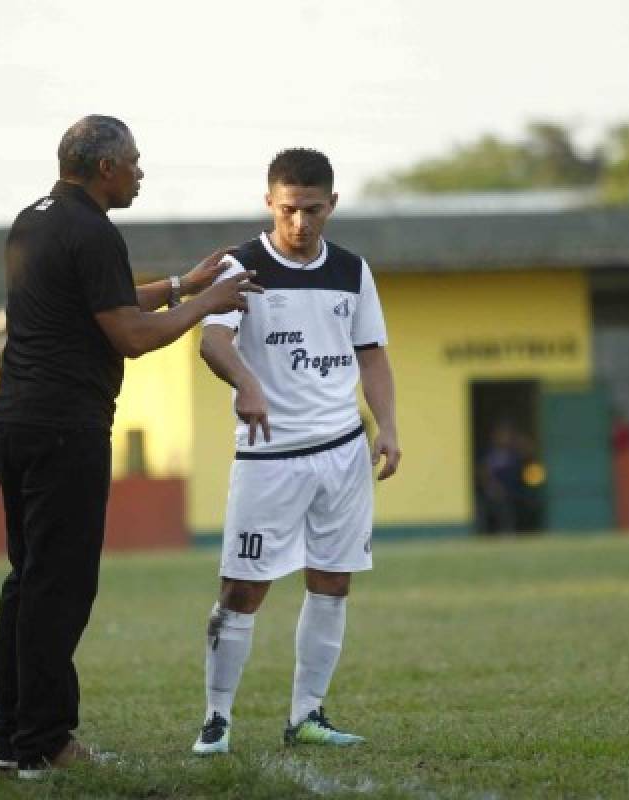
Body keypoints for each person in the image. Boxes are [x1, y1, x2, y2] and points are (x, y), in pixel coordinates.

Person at [0, 115, 261, 779]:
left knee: (28, 582)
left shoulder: (36, 217)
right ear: (105, 168)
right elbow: (131, 337)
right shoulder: (94, 229)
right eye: (134, 162)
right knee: (60, 588)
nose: (141, 172)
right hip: (64, 426)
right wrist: (209, 304)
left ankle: (10, 733)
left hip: (16, 419)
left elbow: (98, 305)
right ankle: (44, 743)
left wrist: (180, 287)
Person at [190, 148, 400, 755]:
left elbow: (372, 355)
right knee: (242, 588)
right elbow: (212, 342)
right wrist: (248, 384)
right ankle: (217, 719)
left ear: (331, 203)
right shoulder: (242, 265)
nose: (301, 222)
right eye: (289, 209)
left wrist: (388, 426)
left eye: (313, 209)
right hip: (268, 456)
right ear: (269, 202)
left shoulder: (353, 270)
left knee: (332, 582)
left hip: (342, 450)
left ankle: (308, 715)